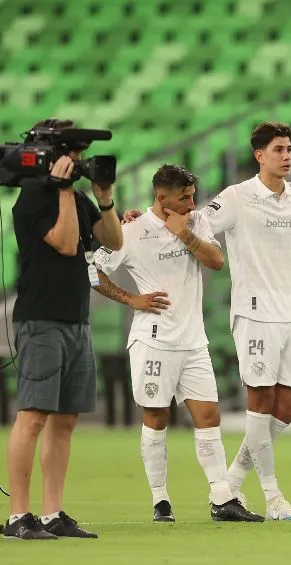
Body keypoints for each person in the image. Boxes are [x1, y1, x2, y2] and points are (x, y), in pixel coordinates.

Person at [125, 122, 291, 520]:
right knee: (260, 405)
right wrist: (145, 218)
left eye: (289, 148)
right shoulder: (236, 197)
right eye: (278, 149)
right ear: (259, 155)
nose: (287, 155)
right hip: (254, 313)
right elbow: (191, 220)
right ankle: (273, 497)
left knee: (287, 409)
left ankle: (230, 482)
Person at [93, 164, 263, 523]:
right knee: (157, 416)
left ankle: (222, 498)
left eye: (192, 196)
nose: (191, 203)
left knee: (208, 416)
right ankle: (160, 500)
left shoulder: (196, 222)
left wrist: (183, 232)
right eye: (184, 197)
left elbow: (216, 261)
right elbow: (93, 271)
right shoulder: (132, 231)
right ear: (161, 197)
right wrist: (131, 299)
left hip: (193, 341)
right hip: (153, 341)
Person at [4, 118, 123, 540]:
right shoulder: (34, 195)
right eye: (72, 153)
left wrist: (104, 200)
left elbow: (113, 241)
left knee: (65, 419)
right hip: (41, 319)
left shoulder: (76, 196)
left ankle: (53, 512)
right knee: (33, 415)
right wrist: (65, 190)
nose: (78, 160)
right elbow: (67, 242)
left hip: (75, 318)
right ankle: (19, 516)